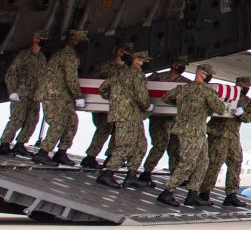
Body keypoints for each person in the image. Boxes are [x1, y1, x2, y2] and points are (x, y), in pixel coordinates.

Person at [157, 64, 225, 207]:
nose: (210, 76)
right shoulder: (206, 92)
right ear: (201, 73)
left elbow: (166, 98)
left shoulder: (182, 89)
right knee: (188, 163)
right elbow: (220, 109)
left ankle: (192, 194)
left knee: (203, 162)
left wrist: (181, 106)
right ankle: (167, 192)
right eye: (209, 74)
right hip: (193, 132)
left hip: (190, 131)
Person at [96, 50, 153, 189]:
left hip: (126, 114)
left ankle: (131, 176)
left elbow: (103, 89)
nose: (146, 63)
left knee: (140, 144)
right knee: (126, 145)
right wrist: (147, 106)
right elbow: (141, 96)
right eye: (144, 61)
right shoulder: (138, 75)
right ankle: (108, 174)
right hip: (130, 115)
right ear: (137, 60)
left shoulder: (119, 73)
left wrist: (117, 101)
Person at [33, 29, 89, 166]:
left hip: (63, 95)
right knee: (58, 123)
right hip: (54, 94)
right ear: (74, 41)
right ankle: (43, 153)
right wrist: (78, 96)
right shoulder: (69, 55)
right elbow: (71, 77)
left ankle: (61, 153)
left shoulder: (68, 54)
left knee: (71, 122)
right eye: (81, 41)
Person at [200, 75, 251, 206]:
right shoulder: (225, 94)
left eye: (247, 86)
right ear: (237, 84)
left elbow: (249, 119)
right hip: (218, 134)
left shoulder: (248, 102)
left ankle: (231, 194)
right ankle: (204, 193)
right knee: (214, 163)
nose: (246, 88)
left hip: (233, 136)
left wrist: (242, 114)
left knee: (236, 162)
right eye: (243, 85)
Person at [80, 42, 133, 169]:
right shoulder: (104, 67)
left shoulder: (128, 71)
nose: (125, 55)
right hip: (105, 106)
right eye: (123, 51)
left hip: (120, 107)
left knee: (118, 132)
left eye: (128, 53)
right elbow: (92, 83)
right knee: (103, 130)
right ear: (118, 51)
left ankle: (111, 157)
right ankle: (90, 157)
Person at [140, 55, 190, 183]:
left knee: (175, 147)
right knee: (159, 145)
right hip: (158, 118)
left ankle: (175, 175)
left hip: (174, 120)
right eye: (180, 64)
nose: (182, 67)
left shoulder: (185, 82)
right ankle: (147, 172)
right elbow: (142, 88)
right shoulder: (157, 77)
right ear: (173, 64)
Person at [1, 30, 48, 157]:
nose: (44, 40)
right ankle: (4, 143)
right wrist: (12, 91)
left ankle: (20, 144)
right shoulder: (24, 55)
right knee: (17, 119)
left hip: (35, 96)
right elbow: (11, 74)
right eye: (41, 38)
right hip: (21, 93)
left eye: (45, 38)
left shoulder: (42, 59)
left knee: (32, 120)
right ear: (35, 39)